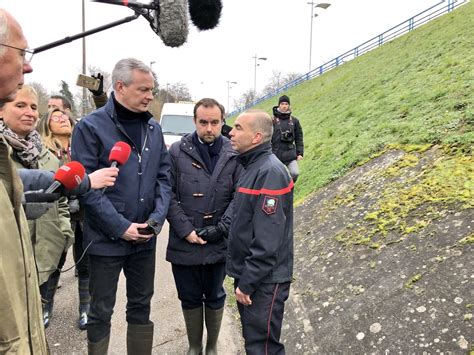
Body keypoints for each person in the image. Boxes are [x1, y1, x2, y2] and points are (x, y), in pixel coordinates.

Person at [0, 9, 117, 352]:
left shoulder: (74, 141)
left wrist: (98, 94)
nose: (28, 66)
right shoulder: (31, 151)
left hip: (69, 219)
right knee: (42, 277)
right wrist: (78, 183)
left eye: (35, 107)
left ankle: (75, 309)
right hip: (40, 228)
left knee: (80, 270)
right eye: (21, 54)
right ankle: (44, 309)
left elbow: (99, 123)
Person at [71, 57, 172, 354]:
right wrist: (121, 227)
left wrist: (155, 221)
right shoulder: (90, 127)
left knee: (141, 307)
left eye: (151, 89)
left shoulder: (154, 128)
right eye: (143, 89)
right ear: (119, 87)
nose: (150, 96)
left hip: (144, 239)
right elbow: (87, 188)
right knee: (100, 311)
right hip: (105, 241)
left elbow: (164, 178)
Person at [166, 98, 242, 355]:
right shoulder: (176, 151)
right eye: (203, 122)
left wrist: (222, 228)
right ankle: (194, 346)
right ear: (195, 122)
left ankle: (212, 347)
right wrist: (185, 230)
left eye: (214, 122)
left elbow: (239, 196)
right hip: (183, 239)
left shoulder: (234, 152)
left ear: (223, 121)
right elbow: (167, 193)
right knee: (188, 296)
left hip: (219, 240)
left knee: (215, 295)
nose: (209, 128)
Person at [0, 85, 76, 326]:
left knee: (33, 328)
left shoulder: (45, 155)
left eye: (33, 107)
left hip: (46, 252)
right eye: (20, 105)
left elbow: (61, 200)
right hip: (8, 259)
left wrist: (63, 231)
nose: (30, 112)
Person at [227, 109, 294, 354]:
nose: (231, 133)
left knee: (263, 347)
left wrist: (247, 283)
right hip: (254, 275)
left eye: (238, 128)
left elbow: (267, 239)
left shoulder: (269, 172)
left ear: (256, 137)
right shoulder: (252, 167)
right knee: (255, 344)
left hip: (264, 281)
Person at [38, 108, 89, 330]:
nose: (63, 120)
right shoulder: (41, 151)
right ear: (47, 125)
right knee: (54, 263)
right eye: (56, 118)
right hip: (57, 214)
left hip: (84, 213)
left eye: (65, 117)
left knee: (85, 263)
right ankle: (44, 307)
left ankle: (86, 309)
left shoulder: (82, 147)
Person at [271, 95, 304, 182]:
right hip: (275, 155)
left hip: (290, 154)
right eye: (282, 104)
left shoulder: (294, 121)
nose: (284, 106)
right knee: (277, 177)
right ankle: (282, 190)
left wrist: (300, 153)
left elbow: (299, 138)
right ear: (279, 105)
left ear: (289, 105)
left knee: (295, 173)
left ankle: (289, 187)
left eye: (286, 104)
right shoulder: (272, 121)